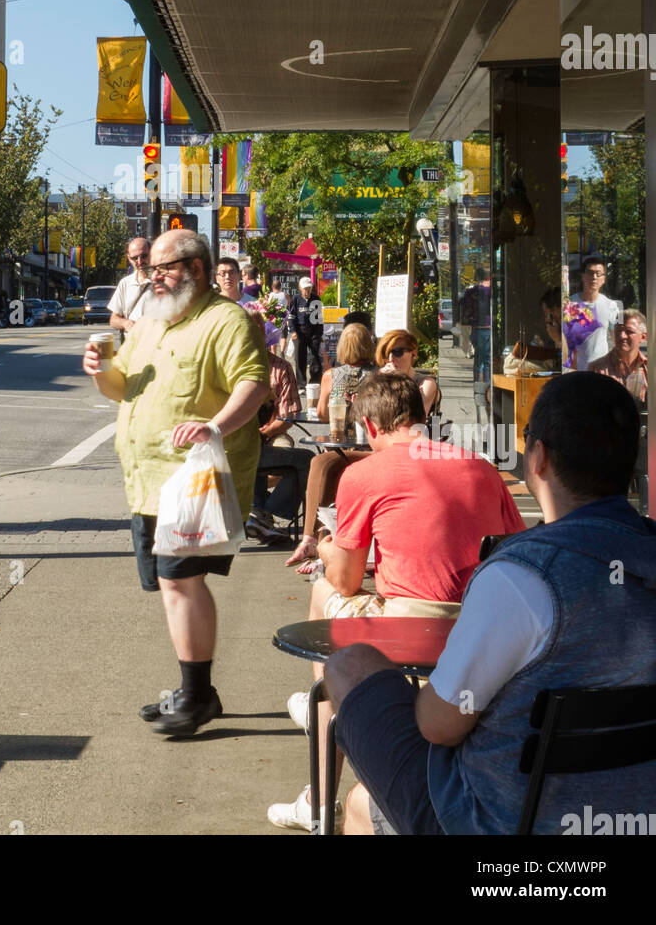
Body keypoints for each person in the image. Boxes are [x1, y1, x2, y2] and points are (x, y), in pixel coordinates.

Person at [324, 371, 656, 836]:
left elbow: (439, 726)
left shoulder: (522, 576)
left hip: (502, 821)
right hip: (633, 815)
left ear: (538, 457)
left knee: (350, 666)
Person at [268, 373, 526, 831]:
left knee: (322, 591)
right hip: (481, 625)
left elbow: (346, 580)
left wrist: (326, 548)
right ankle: (324, 724)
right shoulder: (481, 466)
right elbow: (515, 552)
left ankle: (325, 749)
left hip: (410, 628)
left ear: (369, 426)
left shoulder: (363, 473)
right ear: (423, 417)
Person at [83, 229, 270, 736]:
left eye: (163, 268)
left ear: (196, 269)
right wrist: (100, 371)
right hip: (147, 481)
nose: (153, 277)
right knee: (170, 584)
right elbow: (122, 387)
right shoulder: (148, 325)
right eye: (150, 269)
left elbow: (254, 384)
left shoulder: (226, 321)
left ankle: (195, 696)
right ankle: (196, 691)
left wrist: (215, 426)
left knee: (180, 581)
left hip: (197, 482)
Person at [283, 324, 379, 571]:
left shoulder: (331, 376)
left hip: (346, 444)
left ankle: (313, 541)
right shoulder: (380, 376)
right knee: (327, 465)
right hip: (370, 446)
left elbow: (323, 414)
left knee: (322, 462)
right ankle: (319, 545)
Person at [246, 346, 307, 542]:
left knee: (284, 448)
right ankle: (260, 512)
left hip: (271, 432)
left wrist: (266, 433)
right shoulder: (231, 366)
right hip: (241, 442)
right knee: (306, 460)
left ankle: (263, 510)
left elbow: (288, 416)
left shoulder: (279, 367)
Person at [566, 256, 621, 371]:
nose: (594, 277)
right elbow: (566, 339)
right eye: (590, 273)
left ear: (604, 279)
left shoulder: (613, 306)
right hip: (575, 371)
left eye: (598, 273)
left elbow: (618, 340)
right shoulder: (570, 304)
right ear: (583, 276)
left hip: (602, 370)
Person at [589, 308, 647, 408]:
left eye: (629, 332)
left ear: (643, 337)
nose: (622, 336)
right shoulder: (597, 369)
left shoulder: (649, 369)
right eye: (618, 330)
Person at [375, 327, 439, 416]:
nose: (391, 358)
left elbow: (415, 422)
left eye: (397, 352)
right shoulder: (379, 380)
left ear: (413, 354)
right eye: (385, 353)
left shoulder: (425, 384)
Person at [107, 236, 154, 335]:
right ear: (129, 258)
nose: (140, 262)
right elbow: (113, 319)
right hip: (132, 345)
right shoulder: (125, 283)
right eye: (135, 258)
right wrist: (125, 323)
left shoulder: (162, 281)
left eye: (144, 256)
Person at [287, 275, 324, 385]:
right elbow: (291, 316)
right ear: (300, 288)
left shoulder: (316, 299)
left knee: (315, 356)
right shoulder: (296, 299)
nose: (307, 291)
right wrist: (293, 331)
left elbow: (319, 317)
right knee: (300, 357)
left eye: (309, 288)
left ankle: (315, 380)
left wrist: (319, 334)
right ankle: (301, 383)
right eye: (305, 289)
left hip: (313, 330)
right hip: (300, 331)